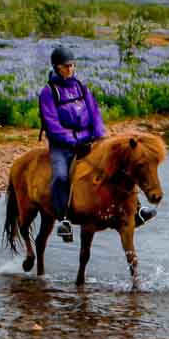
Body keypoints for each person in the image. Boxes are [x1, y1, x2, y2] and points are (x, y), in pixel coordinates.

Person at [38, 45, 107, 244]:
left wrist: (99, 136)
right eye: (65, 66)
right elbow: (52, 124)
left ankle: (136, 210)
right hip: (62, 146)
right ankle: (63, 220)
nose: (70, 69)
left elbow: (95, 113)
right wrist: (72, 140)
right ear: (56, 67)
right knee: (60, 177)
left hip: (87, 140)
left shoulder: (81, 87)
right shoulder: (48, 92)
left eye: (72, 65)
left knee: (115, 163)